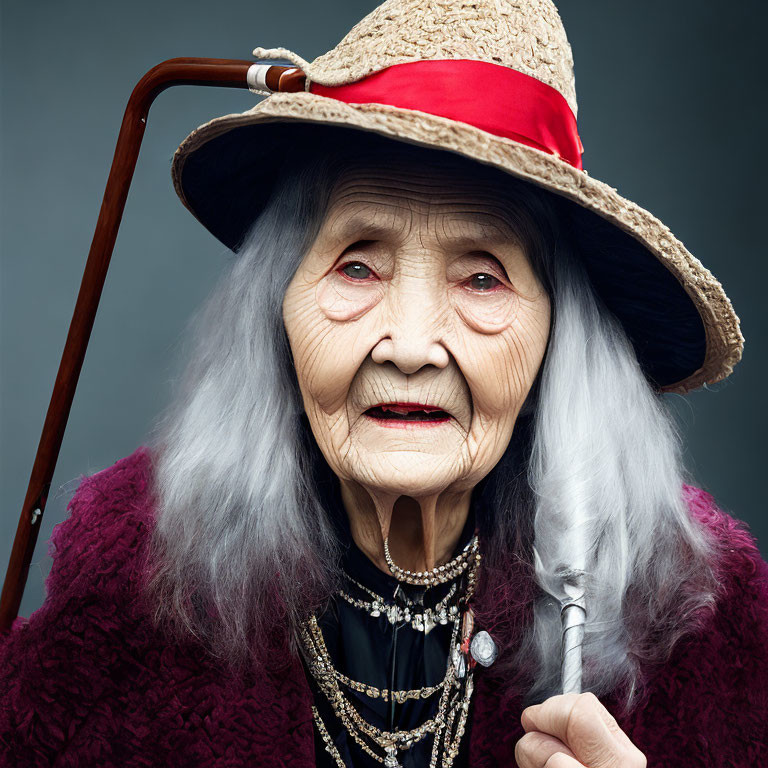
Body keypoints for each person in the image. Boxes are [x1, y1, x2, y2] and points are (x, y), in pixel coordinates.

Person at [2, 1, 767, 766]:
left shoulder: (706, 624)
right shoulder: (132, 586)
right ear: (280, 314)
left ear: (555, 342)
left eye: (481, 279)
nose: (409, 347)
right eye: (357, 265)